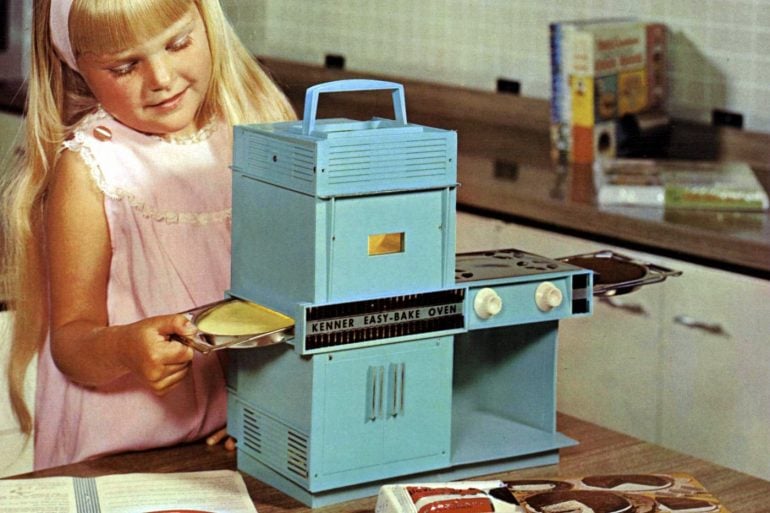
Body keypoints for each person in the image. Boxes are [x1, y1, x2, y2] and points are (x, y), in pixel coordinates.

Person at [0, 0, 294, 470]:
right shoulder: (92, 169)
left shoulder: (255, 131)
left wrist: (265, 411)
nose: (160, 77)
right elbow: (72, 346)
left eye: (178, 44)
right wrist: (125, 348)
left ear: (208, 25)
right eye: (125, 65)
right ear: (77, 68)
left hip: (222, 447)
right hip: (119, 455)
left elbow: (291, 303)